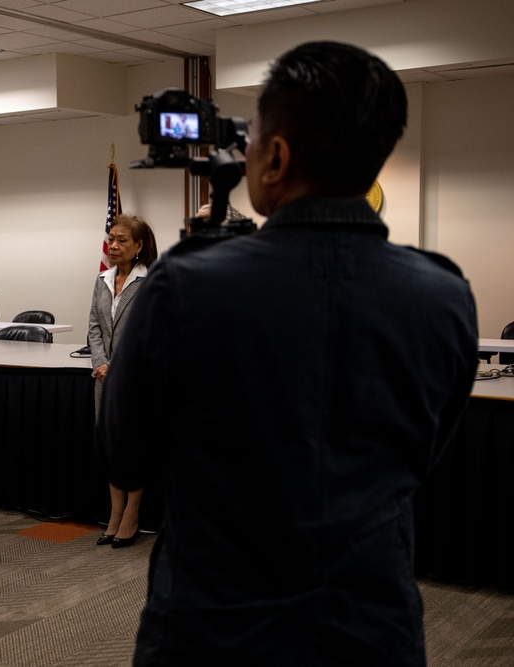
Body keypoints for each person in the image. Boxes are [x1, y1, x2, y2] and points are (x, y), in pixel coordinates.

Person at [97, 41, 478, 665]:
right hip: (372, 627)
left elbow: (122, 454)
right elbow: (422, 452)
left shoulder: (186, 286)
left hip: (212, 628)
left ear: (274, 157)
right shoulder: (444, 295)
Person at [88, 212, 158, 549]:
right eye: (111, 239)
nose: (113, 245)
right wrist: (102, 363)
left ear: (139, 246)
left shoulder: (153, 281)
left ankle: (132, 514)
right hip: (104, 381)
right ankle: (114, 515)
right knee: (112, 449)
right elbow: (93, 328)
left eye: (121, 240)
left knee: (134, 449)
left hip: (137, 380)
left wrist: (118, 366)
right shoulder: (102, 279)